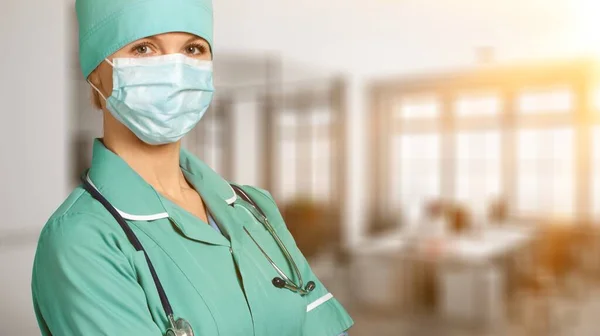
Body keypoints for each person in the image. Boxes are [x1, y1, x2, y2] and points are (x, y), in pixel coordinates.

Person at [30, 0, 353, 335]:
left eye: (193, 48)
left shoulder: (255, 207)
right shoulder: (81, 240)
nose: (175, 69)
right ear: (95, 69)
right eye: (144, 48)